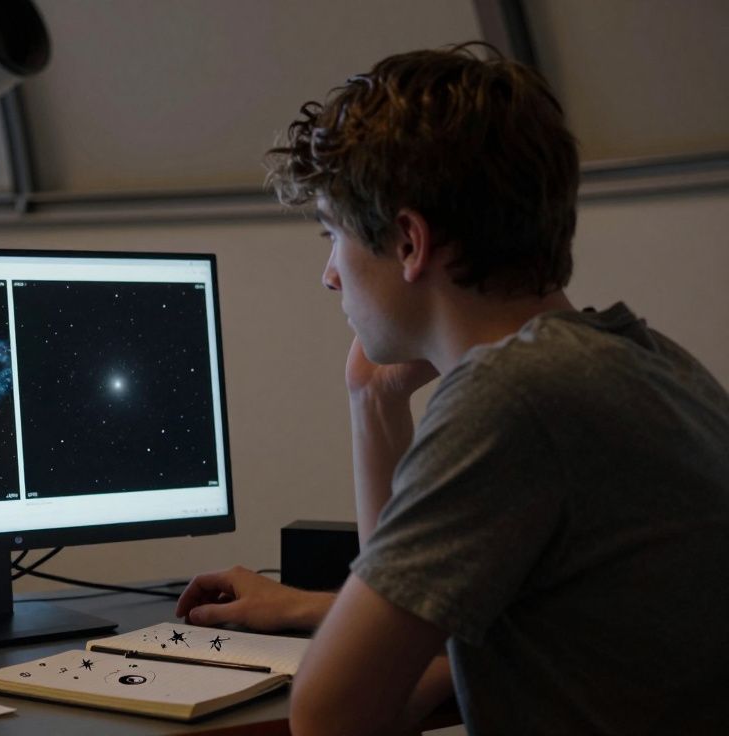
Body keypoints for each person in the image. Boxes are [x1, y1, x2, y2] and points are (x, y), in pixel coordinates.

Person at [176, 44, 729, 734]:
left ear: (409, 242)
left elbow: (329, 714)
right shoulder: (647, 361)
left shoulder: (516, 397)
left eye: (332, 235)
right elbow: (426, 649)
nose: (329, 275)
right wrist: (373, 398)